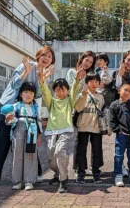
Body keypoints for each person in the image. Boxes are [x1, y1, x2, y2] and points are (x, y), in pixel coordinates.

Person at [0, 46, 55, 188]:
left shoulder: (45, 73)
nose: (47, 58)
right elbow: (14, 84)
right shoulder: (26, 66)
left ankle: (34, 173)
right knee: (1, 142)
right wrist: (26, 71)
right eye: (44, 55)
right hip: (9, 107)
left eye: (50, 57)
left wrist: (42, 80)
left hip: (27, 111)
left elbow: (37, 95)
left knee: (30, 140)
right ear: (38, 56)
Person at [38, 64, 85, 193]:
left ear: (66, 90)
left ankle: (63, 181)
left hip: (66, 131)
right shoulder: (51, 102)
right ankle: (58, 174)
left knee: (60, 152)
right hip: (51, 132)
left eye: (63, 90)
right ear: (54, 91)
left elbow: (75, 89)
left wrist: (77, 78)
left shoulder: (69, 101)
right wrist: (42, 80)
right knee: (51, 158)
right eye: (58, 90)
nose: (60, 92)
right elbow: (45, 92)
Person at [4, 82, 42, 191]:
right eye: (26, 92)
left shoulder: (35, 107)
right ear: (20, 94)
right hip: (18, 130)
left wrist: (39, 136)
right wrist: (8, 118)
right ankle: (17, 181)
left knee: (31, 154)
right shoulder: (16, 106)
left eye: (31, 92)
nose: (28, 95)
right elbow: (10, 121)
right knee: (17, 154)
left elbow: (38, 121)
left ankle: (29, 180)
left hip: (32, 131)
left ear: (34, 95)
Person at [66, 51, 96, 176]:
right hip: (75, 110)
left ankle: (81, 166)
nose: (88, 63)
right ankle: (77, 167)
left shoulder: (88, 75)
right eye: (86, 60)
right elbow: (70, 90)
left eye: (90, 62)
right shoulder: (72, 72)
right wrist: (78, 79)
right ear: (81, 59)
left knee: (83, 140)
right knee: (76, 140)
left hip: (86, 110)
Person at [108, 82, 130, 187]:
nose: (127, 92)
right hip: (121, 135)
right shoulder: (114, 105)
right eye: (125, 90)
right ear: (119, 90)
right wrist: (117, 130)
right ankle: (118, 175)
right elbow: (112, 120)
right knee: (119, 155)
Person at [74, 72, 105, 184]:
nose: (94, 83)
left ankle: (96, 173)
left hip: (96, 127)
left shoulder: (101, 97)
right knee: (81, 151)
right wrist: (83, 95)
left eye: (96, 81)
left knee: (96, 151)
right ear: (87, 82)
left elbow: (102, 111)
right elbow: (77, 108)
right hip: (83, 127)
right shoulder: (82, 94)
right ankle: (81, 173)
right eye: (91, 81)